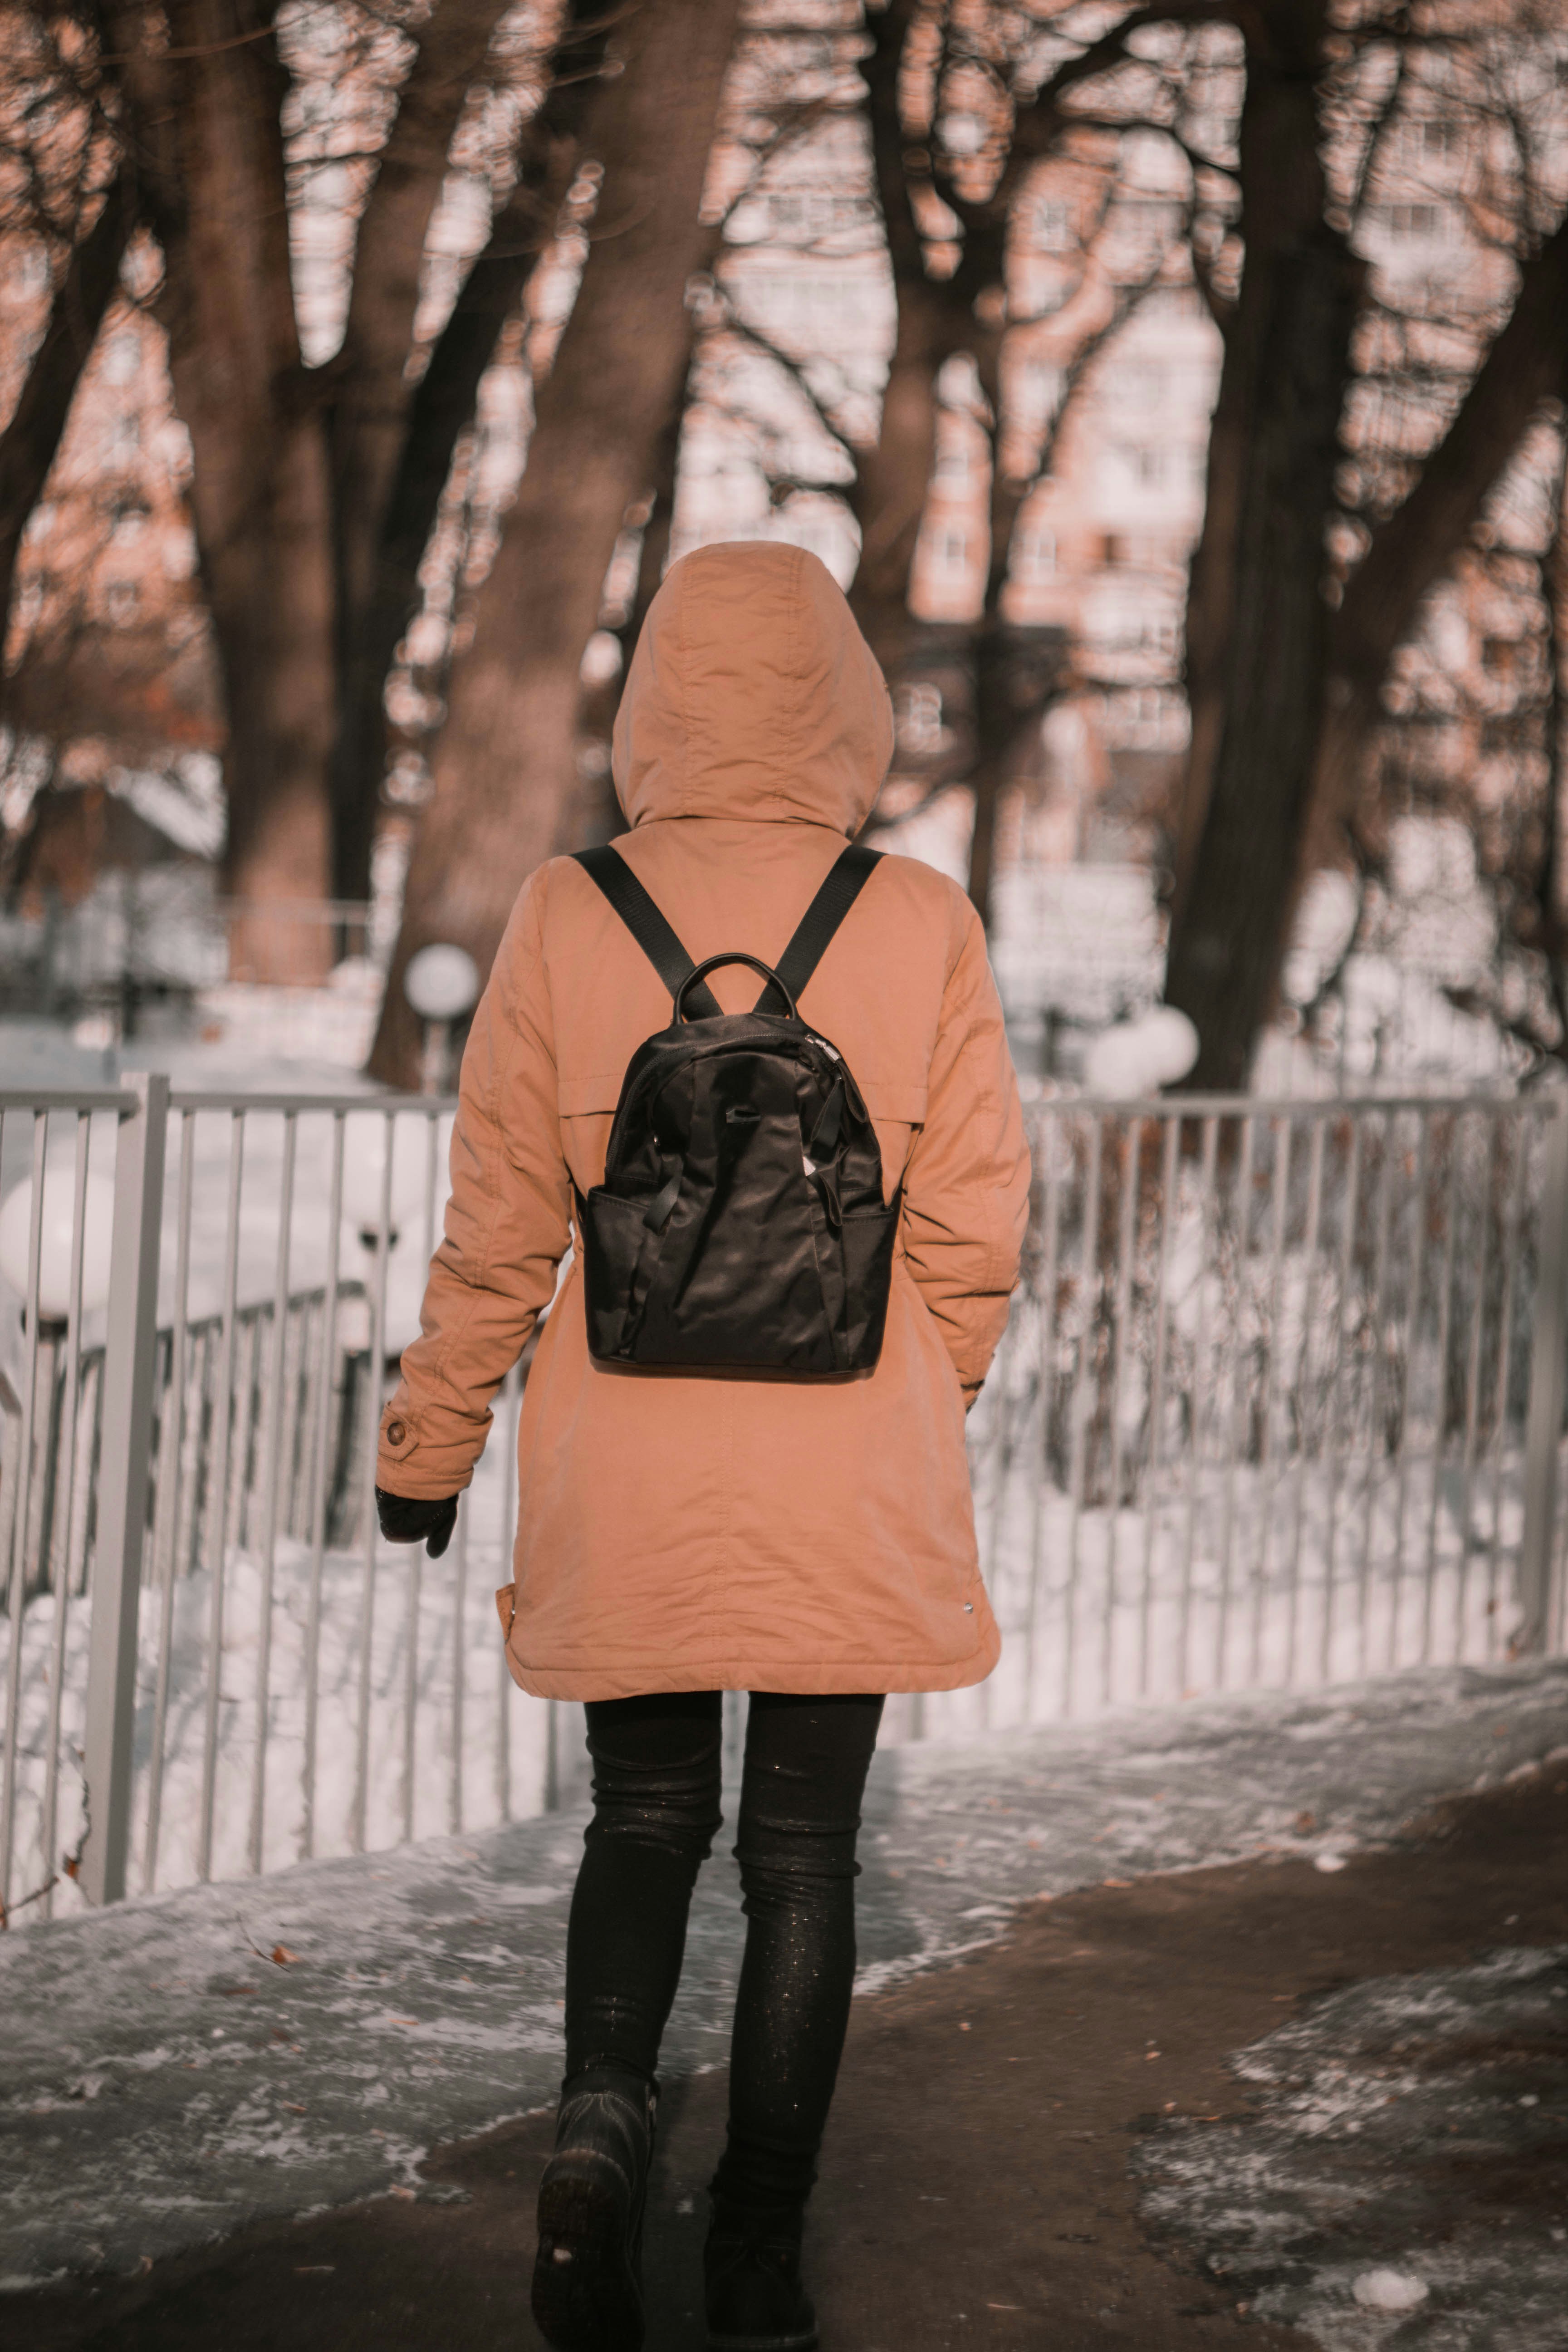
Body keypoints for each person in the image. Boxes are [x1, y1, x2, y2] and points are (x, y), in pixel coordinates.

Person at [374, 540, 1030, 2352]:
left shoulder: (569, 912)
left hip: (629, 1460)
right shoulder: (920, 918)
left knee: (645, 1822)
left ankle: (596, 2141)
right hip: (850, 1458)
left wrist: (425, 1450)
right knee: (803, 1863)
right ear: (847, 703)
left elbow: (500, 1221)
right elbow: (976, 1226)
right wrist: (918, 1391)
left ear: (654, 694)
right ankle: (752, 2255)